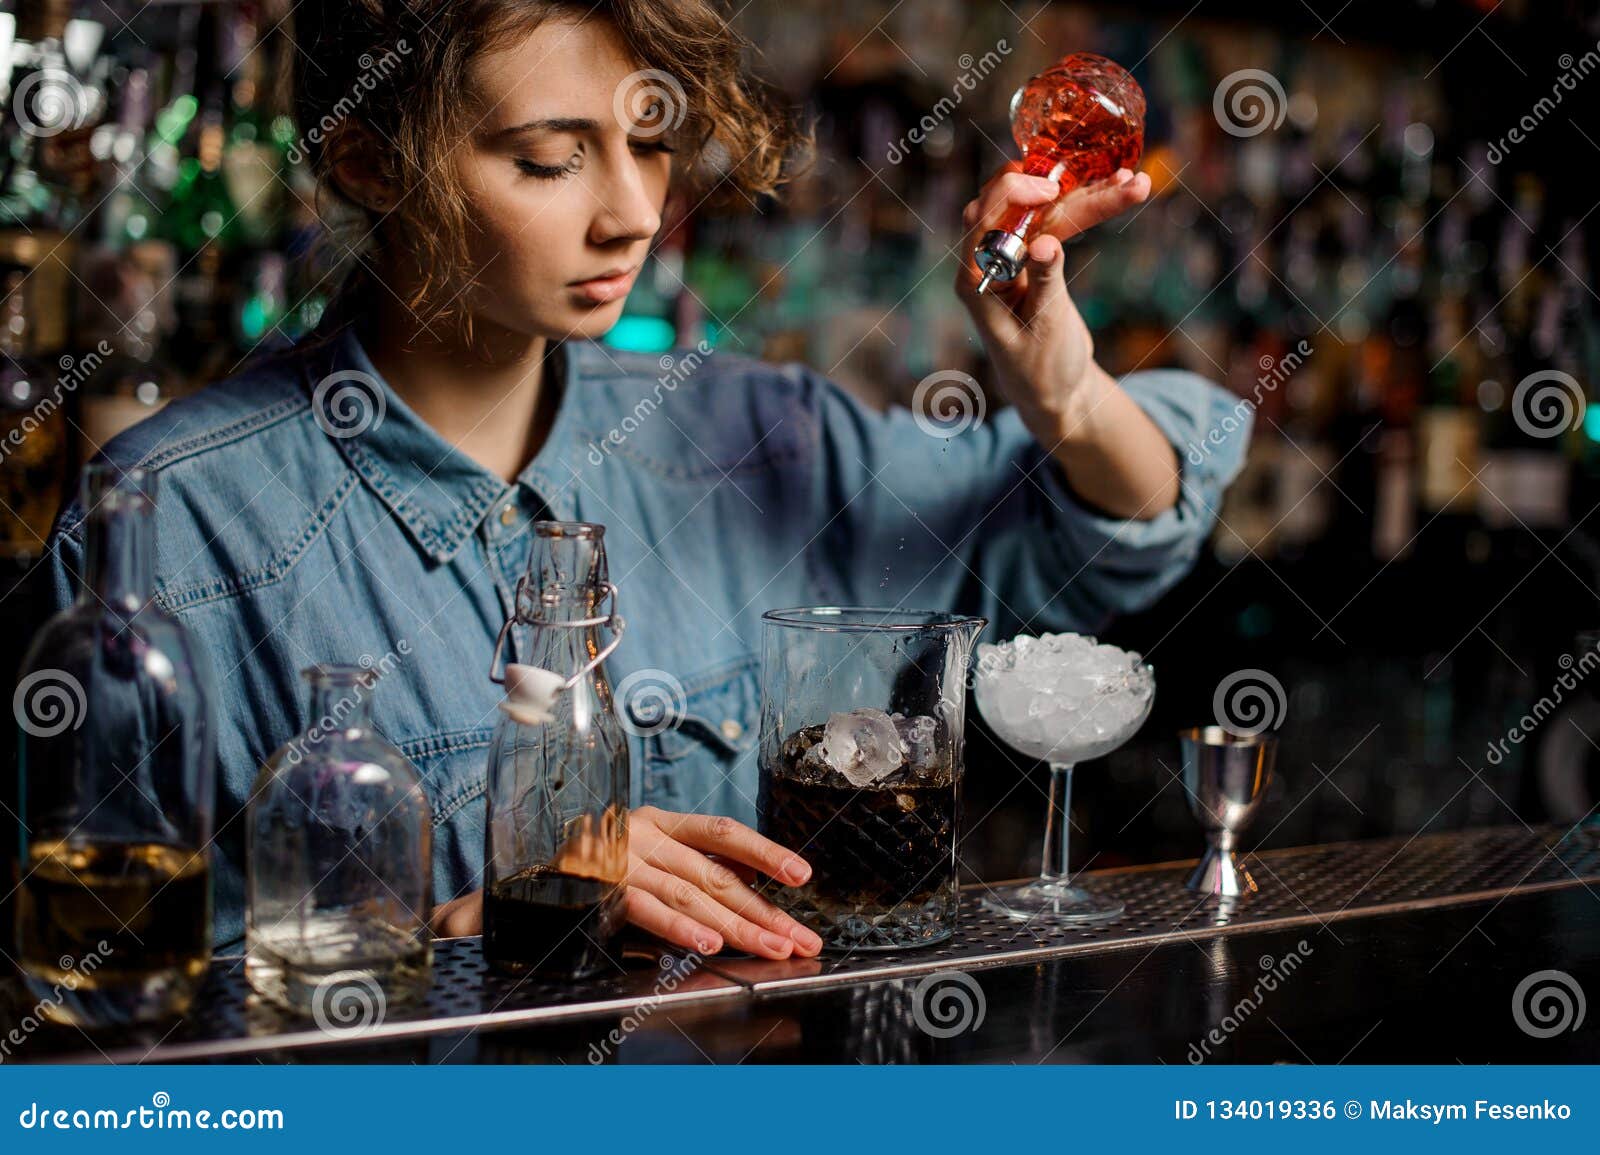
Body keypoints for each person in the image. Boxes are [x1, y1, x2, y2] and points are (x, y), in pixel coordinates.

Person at [42, 0, 1249, 962]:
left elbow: (1110, 531)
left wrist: (1063, 384)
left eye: (654, 145)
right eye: (552, 161)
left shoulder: (756, 430)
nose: (632, 213)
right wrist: (469, 922)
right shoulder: (178, 520)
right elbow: (102, 1017)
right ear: (368, 161)